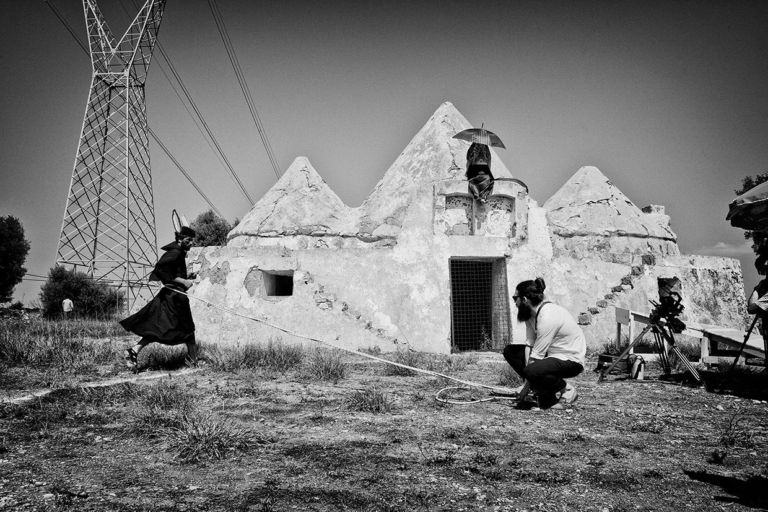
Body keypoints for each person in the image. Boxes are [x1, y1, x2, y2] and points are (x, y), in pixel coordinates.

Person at [120, 226, 198, 371]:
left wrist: (187, 277)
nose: (191, 243)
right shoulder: (175, 253)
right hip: (173, 298)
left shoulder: (178, 252)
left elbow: (171, 274)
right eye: (188, 240)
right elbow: (160, 269)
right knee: (186, 328)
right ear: (180, 239)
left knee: (159, 329)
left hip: (174, 297)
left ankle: (134, 351)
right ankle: (193, 361)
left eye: (192, 240)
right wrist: (183, 281)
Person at [503, 277, 586, 410]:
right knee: (510, 352)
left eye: (515, 298)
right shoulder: (530, 315)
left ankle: (567, 390)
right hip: (552, 356)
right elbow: (529, 345)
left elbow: (535, 357)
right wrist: (527, 378)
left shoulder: (547, 316)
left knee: (532, 369)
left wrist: (525, 387)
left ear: (524, 299)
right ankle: (545, 394)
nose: (515, 303)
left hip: (570, 360)